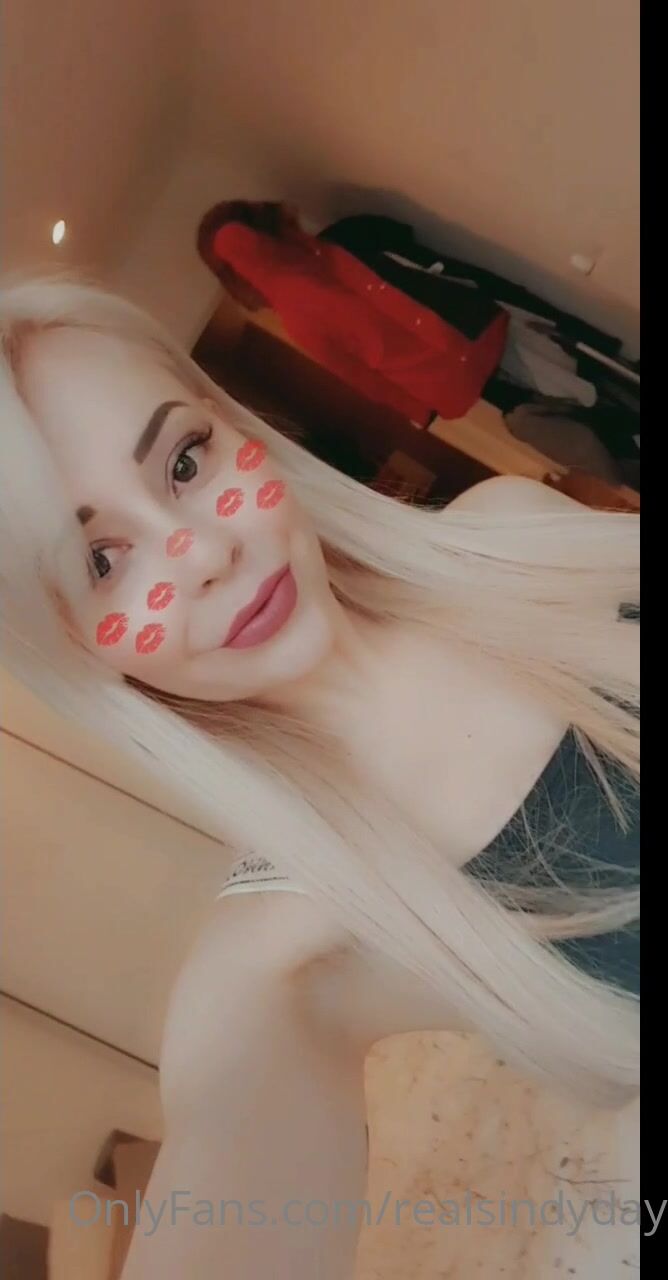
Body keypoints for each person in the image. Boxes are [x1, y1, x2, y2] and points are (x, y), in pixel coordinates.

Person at [0, 274, 639, 1278]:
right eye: (102, 560)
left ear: (235, 427)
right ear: (74, 646)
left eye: (183, 460)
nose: (204, 552)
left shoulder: (516, 534)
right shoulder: (280, 956)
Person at [197, 200, 509, 425]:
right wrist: (420, 410)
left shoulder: (341, 240)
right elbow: (363, 380)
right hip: (456, 377)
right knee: (526, 414)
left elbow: (415, 250)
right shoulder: (300, 320)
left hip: (480, 326)